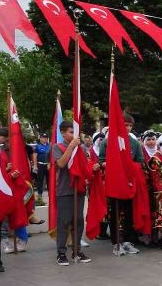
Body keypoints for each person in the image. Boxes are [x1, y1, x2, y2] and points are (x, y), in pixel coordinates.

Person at [99, 114, 143, 256]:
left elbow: (140, 162)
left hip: (129, 184)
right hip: (114, 183)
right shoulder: (108, 142)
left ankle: (128, 242)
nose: (128, 128)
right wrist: (114, 165)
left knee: (129, 214)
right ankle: (116, 242)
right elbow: (101, 161)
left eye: (130, 126)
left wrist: (129, 166)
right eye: (125, 125)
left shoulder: (135, 143)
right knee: (115, 214)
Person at [51, 121, 92, 266]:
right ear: (62, 133)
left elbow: (85, 165)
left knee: (78, 221)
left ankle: (77, 250)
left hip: (78, 189)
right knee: (64, 222)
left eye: (75, 132)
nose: (74, 135)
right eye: (70, 132)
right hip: (65, 190)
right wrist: (71, 147)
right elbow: (61, 164)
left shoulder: (80, 148)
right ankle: (61, 253)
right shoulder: (57, 147)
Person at [34, 133, 50, 205]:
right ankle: (40, 197)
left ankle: (51, 197)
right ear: (40, 138)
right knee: (40, 181)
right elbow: (35, 156)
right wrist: (35, 165)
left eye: (46, 137)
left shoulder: (49, 146)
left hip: (48, 166)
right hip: (40, 165)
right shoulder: (37, 146)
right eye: (43, 137)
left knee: (49, 181)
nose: (45, 139)